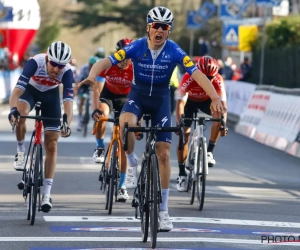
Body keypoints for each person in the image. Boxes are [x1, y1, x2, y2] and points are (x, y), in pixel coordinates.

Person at [79, 6, 225, 231]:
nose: (160, 30)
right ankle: (131, 164)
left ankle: (164, 211)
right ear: (148, 27)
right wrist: (90, 76)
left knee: (164, 154)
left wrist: (214, 96)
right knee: (125, 123)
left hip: (160, 103)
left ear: (169, 30)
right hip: (137, 98)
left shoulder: (174, 50)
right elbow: (104, 62)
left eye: (164, 27)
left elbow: (196, 73)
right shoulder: (136, 46)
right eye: (155, 26)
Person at [8, 41, 73, 212]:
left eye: (61, 66)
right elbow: (16, 92)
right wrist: (13, 110)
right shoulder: (35, 63)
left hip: (50, 97)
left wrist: (66, 121)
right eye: (54, 64)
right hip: (31, 91)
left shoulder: (66, 73)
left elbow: (68, 102)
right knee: (21, 114)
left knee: (52, 143)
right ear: (47, 58)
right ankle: (21, 152)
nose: (57, 69)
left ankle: (46, 193)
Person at [175, 56, 228, 192]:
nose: (208, 81)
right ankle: (181, 173)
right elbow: (180, 103)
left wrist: (223, 123)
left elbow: (223, 106)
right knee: (184, 135)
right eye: (205, 77)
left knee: (219, 115)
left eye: (211, 78)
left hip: (207, 101)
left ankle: (209, 151)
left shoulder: (218, 80)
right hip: (190, 102)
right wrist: (179, 124)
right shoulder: (189, 76)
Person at [91, 38, 134, 202]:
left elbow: (140, 94)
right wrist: (96, 108)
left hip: (125, 99)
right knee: (103, 114)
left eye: (127, 58)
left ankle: (122, 186)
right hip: (107, 95)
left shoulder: (135, 68)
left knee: (123, 144)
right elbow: (97, 89)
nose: (123, 62)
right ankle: (100, 147)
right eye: (121, 57)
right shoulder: (108, 64)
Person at [75, 56, 104, 131]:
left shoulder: (100, 69)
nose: (92, 67)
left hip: (94, 84)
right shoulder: (84, 68)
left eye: (94, 65)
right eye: (91, 65)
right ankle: (80, 120)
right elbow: (78, 80)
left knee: (97, 96)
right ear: (89, 64)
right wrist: (77, 90)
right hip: (84, 84)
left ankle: (96, 115)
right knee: (81, 101)